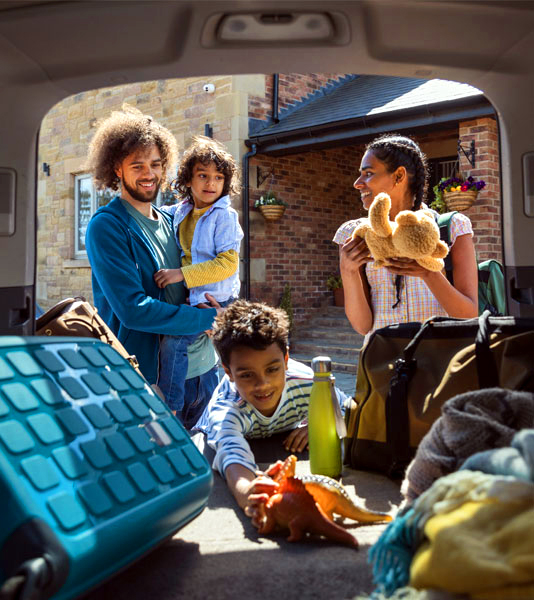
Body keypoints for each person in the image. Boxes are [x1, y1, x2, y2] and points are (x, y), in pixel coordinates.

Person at [85, 104, 222, 429]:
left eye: (156, 164)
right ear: (117, 168)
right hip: (152, 382)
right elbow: (133, 310)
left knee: (211, 471)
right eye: (137, 165)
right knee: (162, 475)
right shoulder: (107, 226)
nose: (149, 174)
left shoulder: (172, 220)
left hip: (205, 372)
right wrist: (209, 317)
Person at [193, 299, 350, 515]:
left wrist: (319, 422)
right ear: (228, 372)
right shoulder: (228, 407)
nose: (263, 384)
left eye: (272, 369)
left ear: (286, 359)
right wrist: (247, 492)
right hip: (211, 440)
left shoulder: (310, 384)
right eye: (247, 375)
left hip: (277, 438)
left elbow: (348, 409)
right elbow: (230, 452)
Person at [333, 134, 478, 341]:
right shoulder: (355, 234)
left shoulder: (450, 228)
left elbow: (469, 315)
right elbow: (362, 326)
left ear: (399, 176)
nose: (358, 183)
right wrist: (348, 271)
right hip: (382, 363)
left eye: (368, 173)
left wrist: (428, 273)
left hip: (439, 364)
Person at [153, 136, 243, 414]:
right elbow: (152, 215)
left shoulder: (224, 216)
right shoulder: (180, 212)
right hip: (194, 300)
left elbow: (228, 263)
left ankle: (171, 408)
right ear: (188, 180)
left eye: (218, 178)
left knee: (175, 341)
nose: (210, 183)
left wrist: (181, 275)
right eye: (202, 175)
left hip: (217, 300)